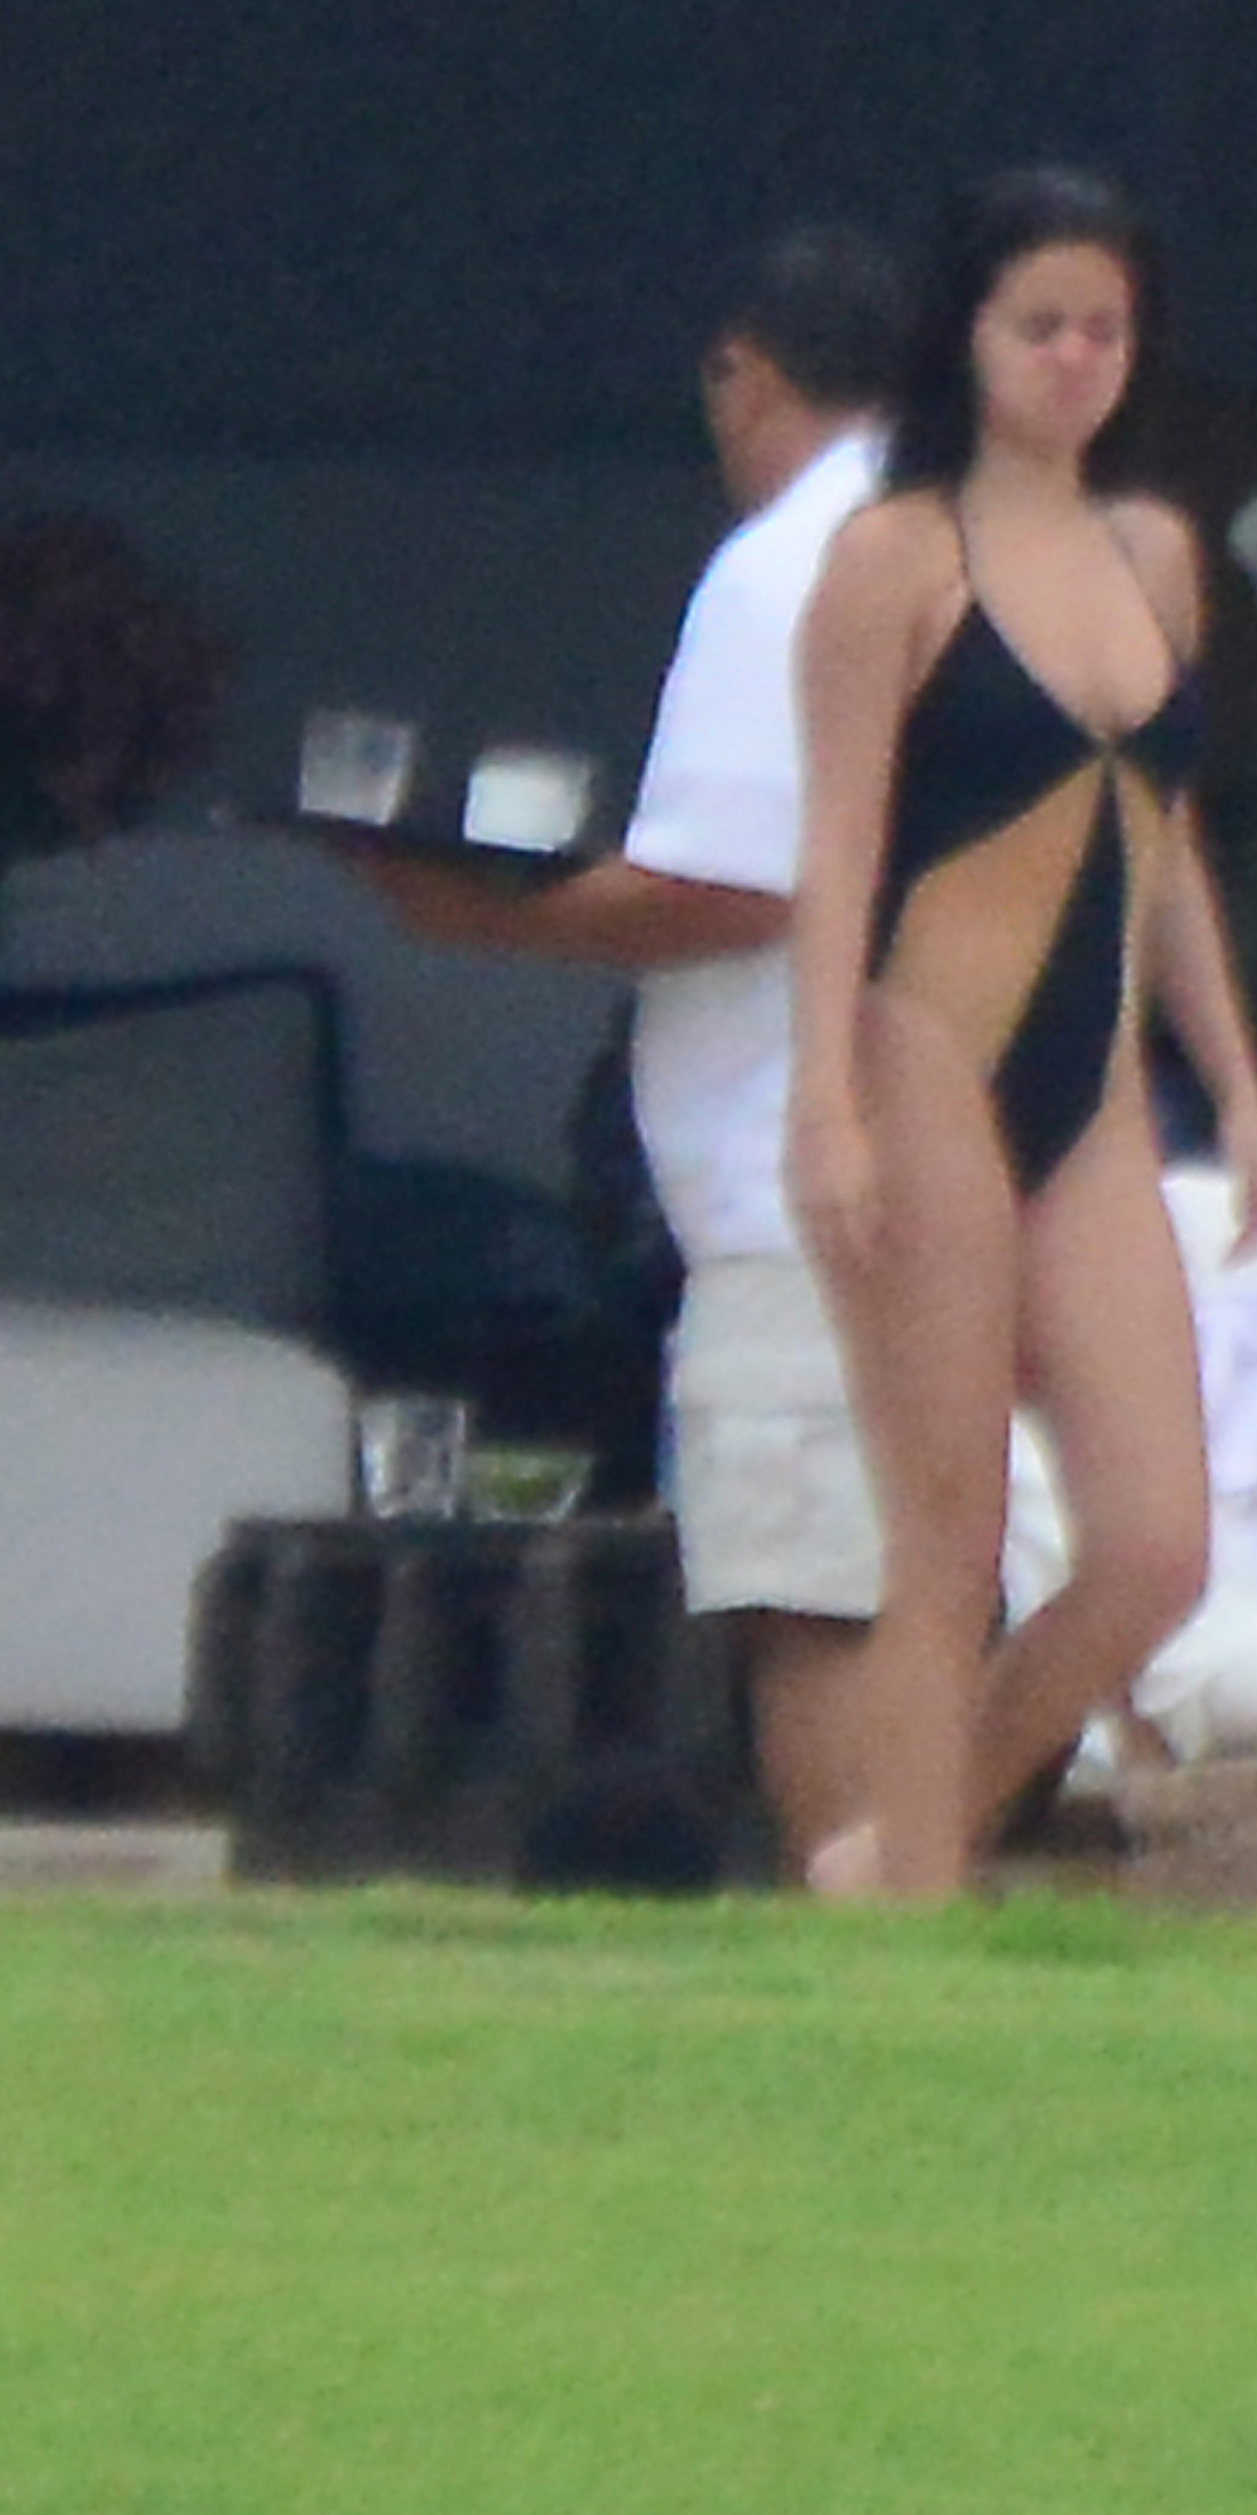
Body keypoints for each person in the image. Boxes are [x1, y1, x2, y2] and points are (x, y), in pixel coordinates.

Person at [350, 224, 905, 1868]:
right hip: (970, 1148)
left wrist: (477, 915)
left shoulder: (787, 565)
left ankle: (873, 1923)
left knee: (812, 1602)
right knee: (930, 1578)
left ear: (746, 372)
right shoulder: (976, 542)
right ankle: (923, 1894)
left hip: (802, 1173)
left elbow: (737, 883)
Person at [786, 165, 1257, 1898]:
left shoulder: (1152, 555)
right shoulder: (892, 558)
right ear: (967, 337)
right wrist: (822, 1105)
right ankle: (918, 1911)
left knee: (1153, 1545)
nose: (1074, 359)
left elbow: (1165, 839)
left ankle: (888, 1854)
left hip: (1098, 1085)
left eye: (1104, 331)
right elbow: (837, 846)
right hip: (924, 1049)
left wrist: (1236, 1076)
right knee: (948, 1542)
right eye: (1039, 327)